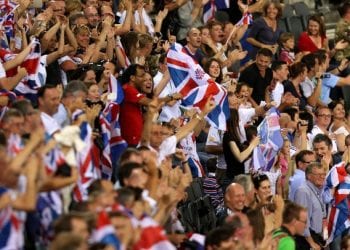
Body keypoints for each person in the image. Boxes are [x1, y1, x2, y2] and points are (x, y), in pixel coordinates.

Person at [293, 162, 326, 250]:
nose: (322, 177)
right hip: (307, 241)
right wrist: (311, 243)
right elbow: (302, 220)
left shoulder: (317, 190)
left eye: (323, 174)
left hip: (316, 237)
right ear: (309, 176)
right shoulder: (303, 192)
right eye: (318, 175)